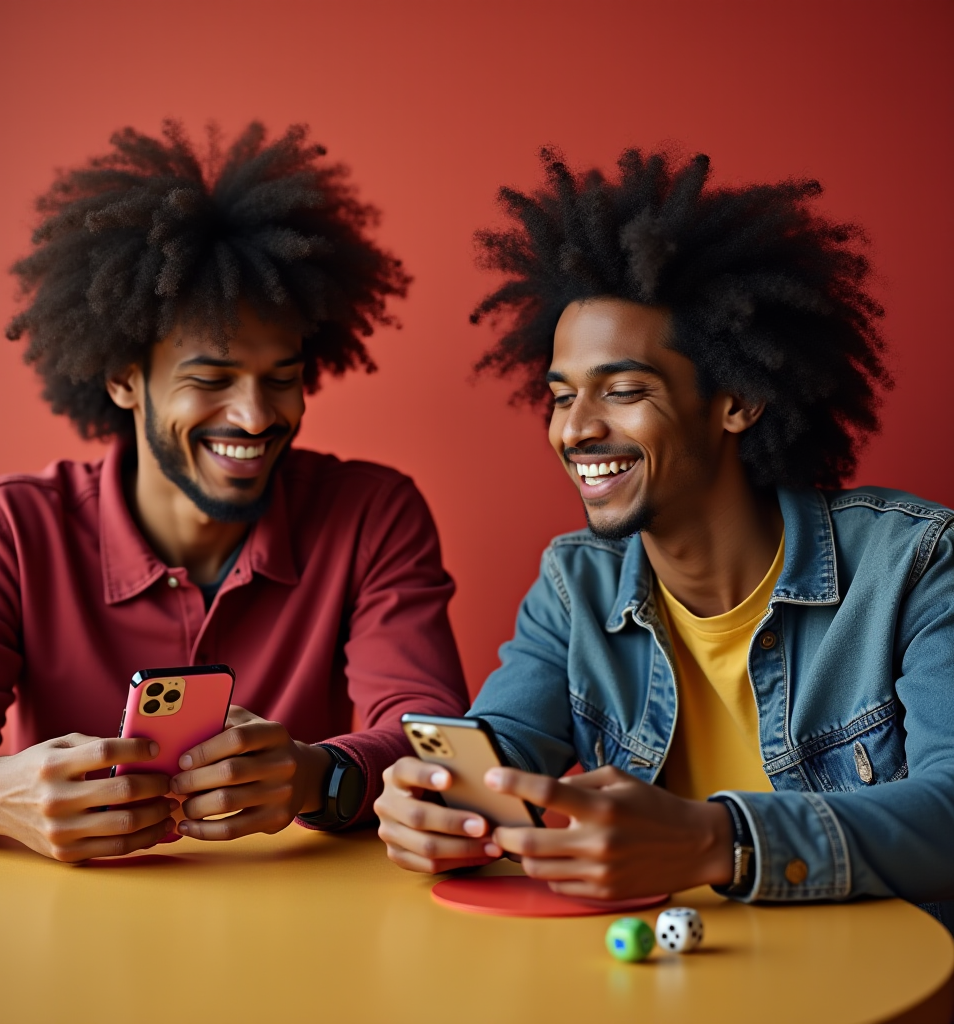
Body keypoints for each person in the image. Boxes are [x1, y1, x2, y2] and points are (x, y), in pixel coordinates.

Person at [375, 148, 954, 930]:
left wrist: (720, 841)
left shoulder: (915, 566)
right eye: (559, 397)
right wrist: (435, 801)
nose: (576, 429)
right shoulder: (572, 585)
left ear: (738, 400)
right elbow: (505, 744)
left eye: (622, 391)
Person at [0, 121, 468, 861]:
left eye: (282, 379)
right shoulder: (2, 531)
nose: (254, 416)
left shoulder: (373, 514)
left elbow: (431, 742)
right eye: (210, 381)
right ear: (124, 379)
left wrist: (317, 775)